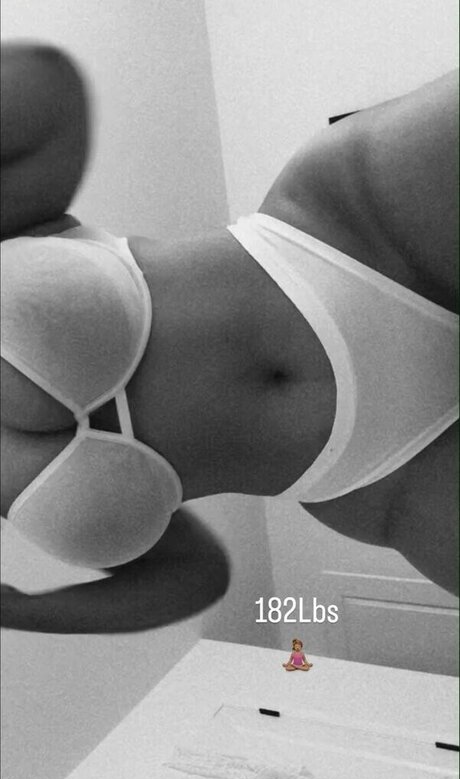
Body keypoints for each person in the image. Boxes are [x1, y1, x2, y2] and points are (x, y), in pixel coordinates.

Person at [1, 43, 458, 634]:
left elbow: (42, 83)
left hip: (352, 236)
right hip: (385, 479)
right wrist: (20, 610)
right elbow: (195, 575)